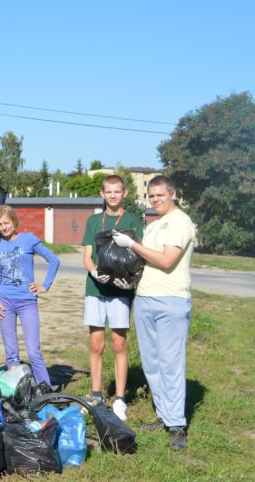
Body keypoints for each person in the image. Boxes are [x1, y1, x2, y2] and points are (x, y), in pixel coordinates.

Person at [112, 175, 196, 451]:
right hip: (146, 298)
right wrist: (131, 279)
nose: (155, 199)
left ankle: (177, 425)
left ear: (173, 194)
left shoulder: (179, 222)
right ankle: (164, 415)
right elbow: (148, 261)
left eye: (160, 195)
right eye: (151, 195)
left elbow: (167, 260)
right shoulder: (155, 224)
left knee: (171, 363)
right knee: (152, 363)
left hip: (171, 300)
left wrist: (131, 244)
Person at [82, 175, 144, 421]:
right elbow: (87, 256)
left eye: (117, 191)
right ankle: (96, 395)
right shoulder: (93, 221)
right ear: (102, 193)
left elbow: (138, 256)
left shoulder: (133, 220)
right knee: (96, 344)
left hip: (120, 290)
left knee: (119, 344)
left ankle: (119, 399)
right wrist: (94, 271)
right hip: (96, 289)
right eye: (109, 191)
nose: (113, 195)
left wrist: (129, 280)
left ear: (125, 193)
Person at [0, 205, 59, 387]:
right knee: (11, 353)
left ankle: (45, 390)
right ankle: (19, 392)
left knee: (34, 351)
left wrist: (45, 285)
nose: (4, 227)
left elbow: (53, 260)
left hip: (27, 302)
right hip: (4, 301)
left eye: (6, 222)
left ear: (13, 221)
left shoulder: (28, 239)